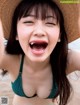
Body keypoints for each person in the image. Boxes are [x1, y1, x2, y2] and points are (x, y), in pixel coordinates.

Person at [0, 0, 80, 105]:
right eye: (28, 22)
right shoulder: (9, 59)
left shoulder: (68, 60)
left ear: (60, 35)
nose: (39, 32)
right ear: (16, 33)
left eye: (50, 23)